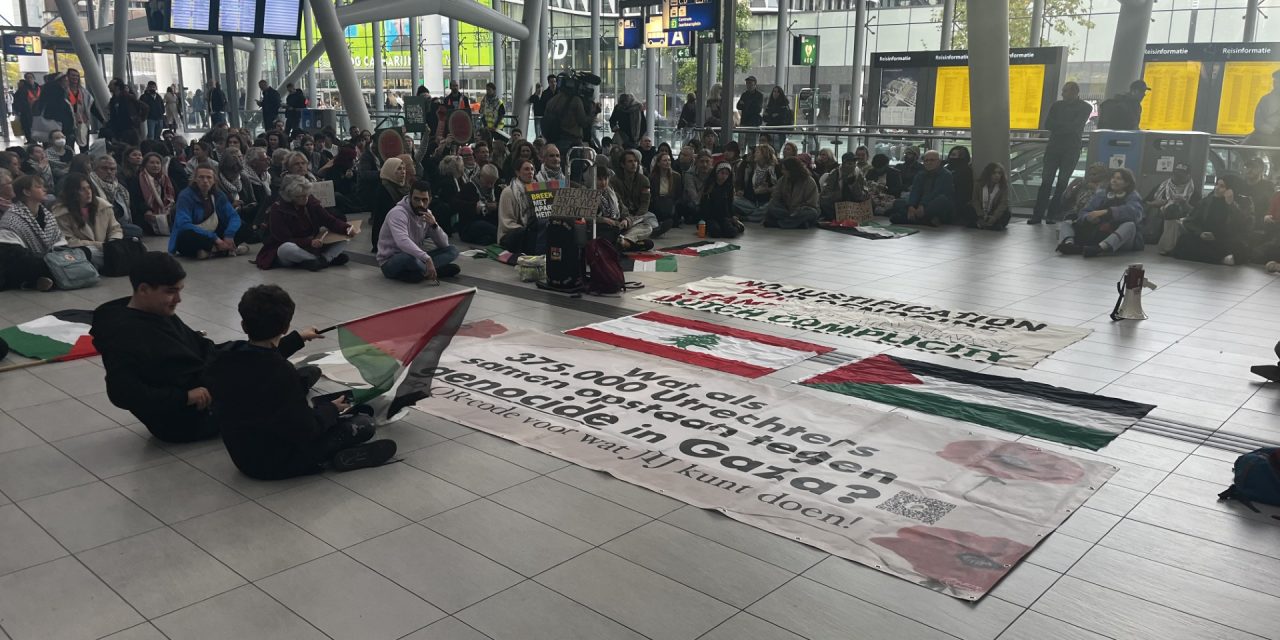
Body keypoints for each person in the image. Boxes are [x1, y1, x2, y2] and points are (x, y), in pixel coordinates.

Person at [209, 285, 395, 479]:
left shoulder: (226, 356)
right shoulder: (281, 373)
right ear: (285, 327)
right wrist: (331, 409)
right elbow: (306, 429)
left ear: (244, 325)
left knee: (308, 378)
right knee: (364, 424)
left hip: (243, 457)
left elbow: (259, 358)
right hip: (278, 463)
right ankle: (332, 457)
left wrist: (299, 339)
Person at [256, 175, 353, 270]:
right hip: (293, 246)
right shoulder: (278, 209)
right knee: (285, 248)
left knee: (345, 236)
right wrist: (309, 242)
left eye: (306, 194)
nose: (305, 198)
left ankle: (323, 259)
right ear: (290, 196)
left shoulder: (311, 202)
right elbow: (283, 238)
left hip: (314, 244)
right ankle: (323, 259)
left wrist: (346, 228)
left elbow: (329, 220)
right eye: (300, 196)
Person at [1029, 82, 1093, 224]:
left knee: (1062, 183)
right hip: (1053, 148)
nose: (1063, 94)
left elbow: (1075, 126)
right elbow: (1048, 124)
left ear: (1075, 92)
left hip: (1071, 149)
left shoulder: (1085, 107)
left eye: (1066, 91)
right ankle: (1037, 215)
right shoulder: (1056, 105)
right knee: (1046, 181)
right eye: (1063, 91)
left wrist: (1059, 126)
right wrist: (1065, 125)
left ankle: (1052, 215)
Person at [376, 180, 461, 282]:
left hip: (417, 257)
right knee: (408, 258)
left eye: (424, 200)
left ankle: (422, 272)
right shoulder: (398, 213)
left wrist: (434, 225)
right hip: (391, 260)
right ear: (410, 197)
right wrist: (427, 259)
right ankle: (433, 271)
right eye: (416, 199)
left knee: (452, 250)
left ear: (430, 200)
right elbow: (402, 242)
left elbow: (444, 244)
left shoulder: (427, 214)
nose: (420, 204)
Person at [1057, 167, 1144, 257]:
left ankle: (1100, 248)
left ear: (1127, 183)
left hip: (1121, 238)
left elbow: (1135, 213)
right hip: (1098, 232)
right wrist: (1088, 217)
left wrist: (1107, 212)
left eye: (1119, 179)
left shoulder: (1133, 196)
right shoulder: (1101, 194)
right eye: (1113, 178)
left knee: (1130, 225)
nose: (1114, 181)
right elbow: (1085, 211)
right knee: (1067, 222)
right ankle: (1069, 245)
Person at [1169, 174, 1249, 266]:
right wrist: (1200, 233)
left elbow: (1243, 224)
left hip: (1225, 240)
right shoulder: (1207, 201)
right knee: (1184, 241)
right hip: (1205, 238)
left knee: (1239, 247)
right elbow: (1190, 221)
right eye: (1216, 185)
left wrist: (1231, 204)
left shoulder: (1244, 202)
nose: (1217, 188)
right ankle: (1220, 259)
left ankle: (1215, 258)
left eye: (1222, 186)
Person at [0, 175, 62, 291]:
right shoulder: (11, 219)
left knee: (81, 253)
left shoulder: (47, 216)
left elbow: (60, 242)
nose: (44, 190)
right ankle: (35, 280)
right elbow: (13, 255)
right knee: (33, 264)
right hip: (23, 264)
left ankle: (42, 279)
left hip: (49, 258)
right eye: (38, 187)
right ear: (27, 192)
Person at [171, 165, 246, 259]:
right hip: (197, 233)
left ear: (214, 180)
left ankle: (213, 251)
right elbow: (183, 224)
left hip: (215, 231)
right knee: (185, 236)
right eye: (201, 177)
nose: (205, 181)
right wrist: (215, 238)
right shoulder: (185, 196)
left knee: (243, 226)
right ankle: (226, 250)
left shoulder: (218, 195)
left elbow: (233, 216)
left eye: (209, 177)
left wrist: (229, 234)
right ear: (195, 179)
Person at [53, 173, 124, 270]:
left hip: (106, 246)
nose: (88, 192)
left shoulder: (103, 205)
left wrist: (113, 242)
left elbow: (115, 228)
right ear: (73, 192)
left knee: (133, 242)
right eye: (82, 189)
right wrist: (100, 245)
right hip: (82, 249)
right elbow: (69, 240)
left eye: (89, 188)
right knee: (89, 253)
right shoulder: (62, 213)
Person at [888, 150, 955, 226]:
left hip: (933, 204)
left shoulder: (946, 175)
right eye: (926, 160)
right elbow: (915, 191)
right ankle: (926, 220)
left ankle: (913, 218)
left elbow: (936, 192)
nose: (929, 162)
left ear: (939, 162)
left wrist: (923, 205)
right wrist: (911, 206)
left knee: (942, 200)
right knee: (897, 204)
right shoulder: (920, 175)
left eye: (932, 160)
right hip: (920, 204)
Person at [1142, 162, 1201, 247]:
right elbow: (1143, 204)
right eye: (1176, 174)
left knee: (1173, 211)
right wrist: (1153, 204)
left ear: (1188, 176)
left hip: (1180, 221)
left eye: (1181, 175)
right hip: (1158, 221)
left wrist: (1184, 204)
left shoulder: (1194, 193)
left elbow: (1197, 213)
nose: (1177, 177)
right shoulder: (1161, 187)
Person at [609, 150, 657, 250]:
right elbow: (617, 203)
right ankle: (631, 242)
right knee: (647, 226)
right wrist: (627, 218)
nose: (634, 164)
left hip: (638, 214)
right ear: (622, 164)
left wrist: (635, 217)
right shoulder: (614, 181)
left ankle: (625, 240)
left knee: (650, 221)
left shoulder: (644, 180)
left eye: (635, 161)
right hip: (622, 215)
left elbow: (645, 203)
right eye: (630, 161)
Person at [764, 157, 820, 229]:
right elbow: (775, 197)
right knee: (771, 206)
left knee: (811, 213)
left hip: (800, 211)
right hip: (786, 210)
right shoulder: (782, 180)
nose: (782, 172)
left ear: (792, 170)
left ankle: (780, 223)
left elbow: (812, 203)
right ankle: (798, 224)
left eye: (784, 169)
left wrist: (797, 210)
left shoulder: (809, 181)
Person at [129, 152, 177, 236]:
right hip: (146, 215)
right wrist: (146, 210)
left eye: (158, 163)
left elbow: (177, 195)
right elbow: (135, 200)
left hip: (166, 212)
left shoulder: (167, 180)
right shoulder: (136, 180)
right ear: (145, 165)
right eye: (152, 163)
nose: (155, 165)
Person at [369, 156, 410, 251]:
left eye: (404, 169)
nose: (403, 172)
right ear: (390, 170)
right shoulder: (383, 189)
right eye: (399, 169)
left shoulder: (403, 187)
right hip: (385, 237)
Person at [498, 159, 539, 254]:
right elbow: (506, 223)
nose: (530, 172)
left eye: (532, 169)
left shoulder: (538, 189)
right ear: (517, 172)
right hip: (511, 234)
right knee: (529, 234)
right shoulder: (508, 192)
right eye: (526, 169)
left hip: (529, 230)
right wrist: (526, 229)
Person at [455, 164, 501, 245]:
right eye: (487, 182)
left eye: (492, 183)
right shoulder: (469, 187)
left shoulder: (496, 189)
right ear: (481, 177)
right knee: (482, 226)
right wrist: (475, 207)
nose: (490, 186)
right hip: (470, 225)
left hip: (490, 222)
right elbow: (456, 204)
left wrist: (496, 207)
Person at [734, 143, 780, 223]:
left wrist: (767, 190)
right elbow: (748, 190)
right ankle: (758, 214)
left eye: (758, 152)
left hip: (766, 201)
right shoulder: (753, 168)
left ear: (764, 154)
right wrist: (753, 192)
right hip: (752, 202)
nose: (755, 154)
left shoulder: (775, 169)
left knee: (770, 206)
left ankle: (748, 218)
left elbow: (779, 188)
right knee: (733, 200)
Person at [1245, 70, 1280, 173]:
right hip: (1266, 137)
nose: (1276, 84)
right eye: (1275, 81)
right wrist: (1273, 131)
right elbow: (1258, 123)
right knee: (1242, 148)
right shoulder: (1266, 99)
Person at [699, 162, 745, 238]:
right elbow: (704, 204)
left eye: (726, 174)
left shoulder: (728, 187)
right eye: (722, 173)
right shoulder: (709, 186)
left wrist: (732, 215)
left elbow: (730, 203)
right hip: (711, 217)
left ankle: (736, 226)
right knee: (715, 232)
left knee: (731, 232)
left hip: (724, 216)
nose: (724, 176)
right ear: (717, 173)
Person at [819, 152, 868, 220]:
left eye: (854, 163)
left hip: (854, 203)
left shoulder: (858, 174)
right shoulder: (834, 174)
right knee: (824, 203)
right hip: (837, 203)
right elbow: (826, 193)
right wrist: (838, 195)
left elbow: (863, 194)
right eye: (849, 164)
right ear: (844, 164)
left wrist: (853, 185)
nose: (853, 166)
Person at [968, 162, 1012, 230]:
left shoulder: (1003, 186)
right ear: (988, 174)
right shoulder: (979, 184)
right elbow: (975, 200)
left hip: (993, 212)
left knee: (1007, 213)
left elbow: (1003, 203)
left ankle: (986, 225)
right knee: (968, 208)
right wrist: (981, 214)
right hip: (980, 211)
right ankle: (985, 224)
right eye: (994, 173)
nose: (997, 175)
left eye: (999, 173)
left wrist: (994, 217)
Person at [648, 150, 680, 236]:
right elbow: (652, 194)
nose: (667, 162)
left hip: (670, 202)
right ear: (658, 163)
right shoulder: (652, 177)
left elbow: (678, 194)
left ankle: (663, 224)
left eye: (669, 160)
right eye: (665, 160)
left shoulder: (676, 176)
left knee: (668, 203)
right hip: (657, 202)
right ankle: (660, 226)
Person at [679, 151, 713, 225]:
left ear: (711, 162)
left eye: (707, 161)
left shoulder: (714, 174)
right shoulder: (689, 174)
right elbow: (693, 196)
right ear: (696, 162)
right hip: (693, 204)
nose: (705, 165)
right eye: (702, 161)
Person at [945, 146, 974, 223]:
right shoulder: (946, 168)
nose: (951, 157)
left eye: (954, 155)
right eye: (951, 154)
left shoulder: (966, 172)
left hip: (956, 201)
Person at [738, 76, 764, 144]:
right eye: (747, 84)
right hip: (744, 122)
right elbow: (738, 106)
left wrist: (745, 104)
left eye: (750, 84)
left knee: (752, 144)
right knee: (741, 144)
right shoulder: (744, 94)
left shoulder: (759, 95)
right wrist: (749, 105)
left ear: (755, 85)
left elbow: (758, 109)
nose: (748, 85)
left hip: (753, 123)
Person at [13, 74, 38, 144]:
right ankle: (31, 141)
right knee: (28, 128)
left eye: (31, 77)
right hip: (27, 113)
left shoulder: (39, 88)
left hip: (38, 113)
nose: (29, 79)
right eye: (27, 78)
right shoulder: (22, 90)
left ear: (34, 78)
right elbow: (17, 101)